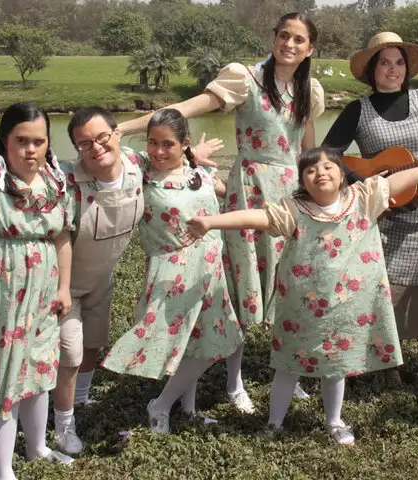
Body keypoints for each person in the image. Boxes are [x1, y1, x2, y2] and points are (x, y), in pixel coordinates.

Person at [185, 146, 418, 445]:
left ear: (342, 174)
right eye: (310, 169)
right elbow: (256, 218)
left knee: (336, 367)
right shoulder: (293, 209)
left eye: (328, 166)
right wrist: (211, 222)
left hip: (344, 310)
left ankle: (334, 421)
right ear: (302, 181)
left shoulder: (363, 198)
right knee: (287, 366)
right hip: (299, 310)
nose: (320, 172)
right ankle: (274, 423)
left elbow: (398, 181)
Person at [118, 12, 325, 409]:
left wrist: (313, 195)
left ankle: (292, 372)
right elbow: (187, 109)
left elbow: (306, 150)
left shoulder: (309, 90)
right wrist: (125, 128)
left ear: (310, 48)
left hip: (290, 195)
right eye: (284, 35)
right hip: (248, 190)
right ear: (274, 37)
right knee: (238, 286)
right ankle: (235, 382)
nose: (290, 44)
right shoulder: (244, 78)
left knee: (294, 284)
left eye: (299, 40)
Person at [48, 107, 222, 452]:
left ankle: (82, 400)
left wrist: (191, 155)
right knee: (69, 350)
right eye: (85, 143)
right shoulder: (71, 177)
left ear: (117, 135)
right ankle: (61, 424)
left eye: (103, 138)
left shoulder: (138, 165)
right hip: (69, 281)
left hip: (108, 277)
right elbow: (35, 165)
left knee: (94, 342)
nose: (96, 148)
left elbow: (167, 148)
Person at [321, 32, 418, 383]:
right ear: (372, 69)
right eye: (384, 62)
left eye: (399, 62)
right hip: (383, 214)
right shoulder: (358, 110)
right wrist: (364, 179)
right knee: (383, 288)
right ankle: (382, 360)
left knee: (413, 287)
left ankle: (388, 353)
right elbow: (328, 154)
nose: (393, 69)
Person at [100, 109, 244, 433]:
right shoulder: (141, 173)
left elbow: (231, 198)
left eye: (168, 144)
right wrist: (119, 128)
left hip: (209, 270)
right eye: (153, 142)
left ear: (184, 145)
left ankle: (187, 409)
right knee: (202, 345)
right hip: (173, 271)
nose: (159, 151)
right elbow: (111, 146)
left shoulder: (201, 174)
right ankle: (161, 404)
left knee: (204, 343)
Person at [0, 102, 75, 480]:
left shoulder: (56, 181)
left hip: (44, 291)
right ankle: (3, 470)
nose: (30, 150)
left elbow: (63, 236)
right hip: (0, 290)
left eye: (38, 141)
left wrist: (64, 288)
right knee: (6, 377)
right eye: (21, 140)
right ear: (5, 140)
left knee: (39, 370)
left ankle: (37, 448)